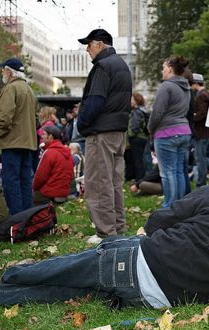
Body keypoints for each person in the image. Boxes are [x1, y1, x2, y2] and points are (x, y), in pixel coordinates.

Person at [0, 149, 209, 309]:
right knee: (84, 289)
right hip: (166, 299)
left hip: (150, 261)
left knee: (83, 264)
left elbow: (160, 220)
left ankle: (13, 274)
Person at [77, 29, 132, 242]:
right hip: (118, 132)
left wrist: (81, 124)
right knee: (114, 183)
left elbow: (95, 101)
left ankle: (105, 233)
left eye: (89, 45)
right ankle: (117, 228)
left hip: (101, 133)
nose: (87, 50)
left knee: (99, 183)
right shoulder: (121, 66)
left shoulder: (103, 66)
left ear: (99, 44)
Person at [0, 57, 38, 215]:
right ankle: (27, 219)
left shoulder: (11, 89)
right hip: (28, 143)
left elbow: (4, 117)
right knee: (25, 181)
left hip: (13, 143)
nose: (1, 72)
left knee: (11, 182)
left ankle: (16, 220)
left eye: (3, 69)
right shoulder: (28, 90)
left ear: (9, 72)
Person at [148, 56, 192, 208]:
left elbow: (157, 113)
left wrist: (150, 129)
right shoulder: (186, 87)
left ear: (170, 69)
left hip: (167, 133)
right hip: (184, 131)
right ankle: (180, 205)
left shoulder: (166, 87)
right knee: (179, 170)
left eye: (163, 67)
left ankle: (170, 206)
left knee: (168, 173)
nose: (162, 70)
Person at [32, 125, 74, 204]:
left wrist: (34, 188)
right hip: (65, 192)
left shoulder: (49, 152)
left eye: (44, 134)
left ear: (50, 136)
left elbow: (40, 177)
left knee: (30, 198)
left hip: (51, 192)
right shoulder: (67, 152)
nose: (42, 136)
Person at [128, 92, 150, 182]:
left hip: (136, 137)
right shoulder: (144, 110)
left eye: (132, 99)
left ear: (136, 101)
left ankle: (139, 179)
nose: (130, 101)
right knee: (142, 158)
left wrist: (132, 134)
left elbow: (135, 126)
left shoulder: (136, 112)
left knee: (138, 160)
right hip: (143, 137)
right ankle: (141, 178)